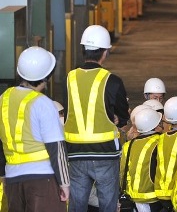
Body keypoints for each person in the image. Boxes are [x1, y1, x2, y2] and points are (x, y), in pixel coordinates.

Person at [64, 24, 130, 212]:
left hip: (75, 153)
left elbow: (69, 111)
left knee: (77, 205)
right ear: (105, 52)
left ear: (83, 50)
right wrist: (117, 119)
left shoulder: (70, 78)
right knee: (108, 205)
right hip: (105, 153)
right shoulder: (112, 80)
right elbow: (123, 116)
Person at [0, 46, 70, 211]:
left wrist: (3, 174)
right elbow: (56, 148)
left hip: (13, 180)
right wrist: (64, 183)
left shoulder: (3, 99)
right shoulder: (43, 103)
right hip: (43, 180)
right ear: (47, 77)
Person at [120, 108, 163, 212]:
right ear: (156, 125)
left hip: (133, 196)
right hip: (153, 196)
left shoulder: (127, 145)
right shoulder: (160, 141)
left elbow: (122, 172)